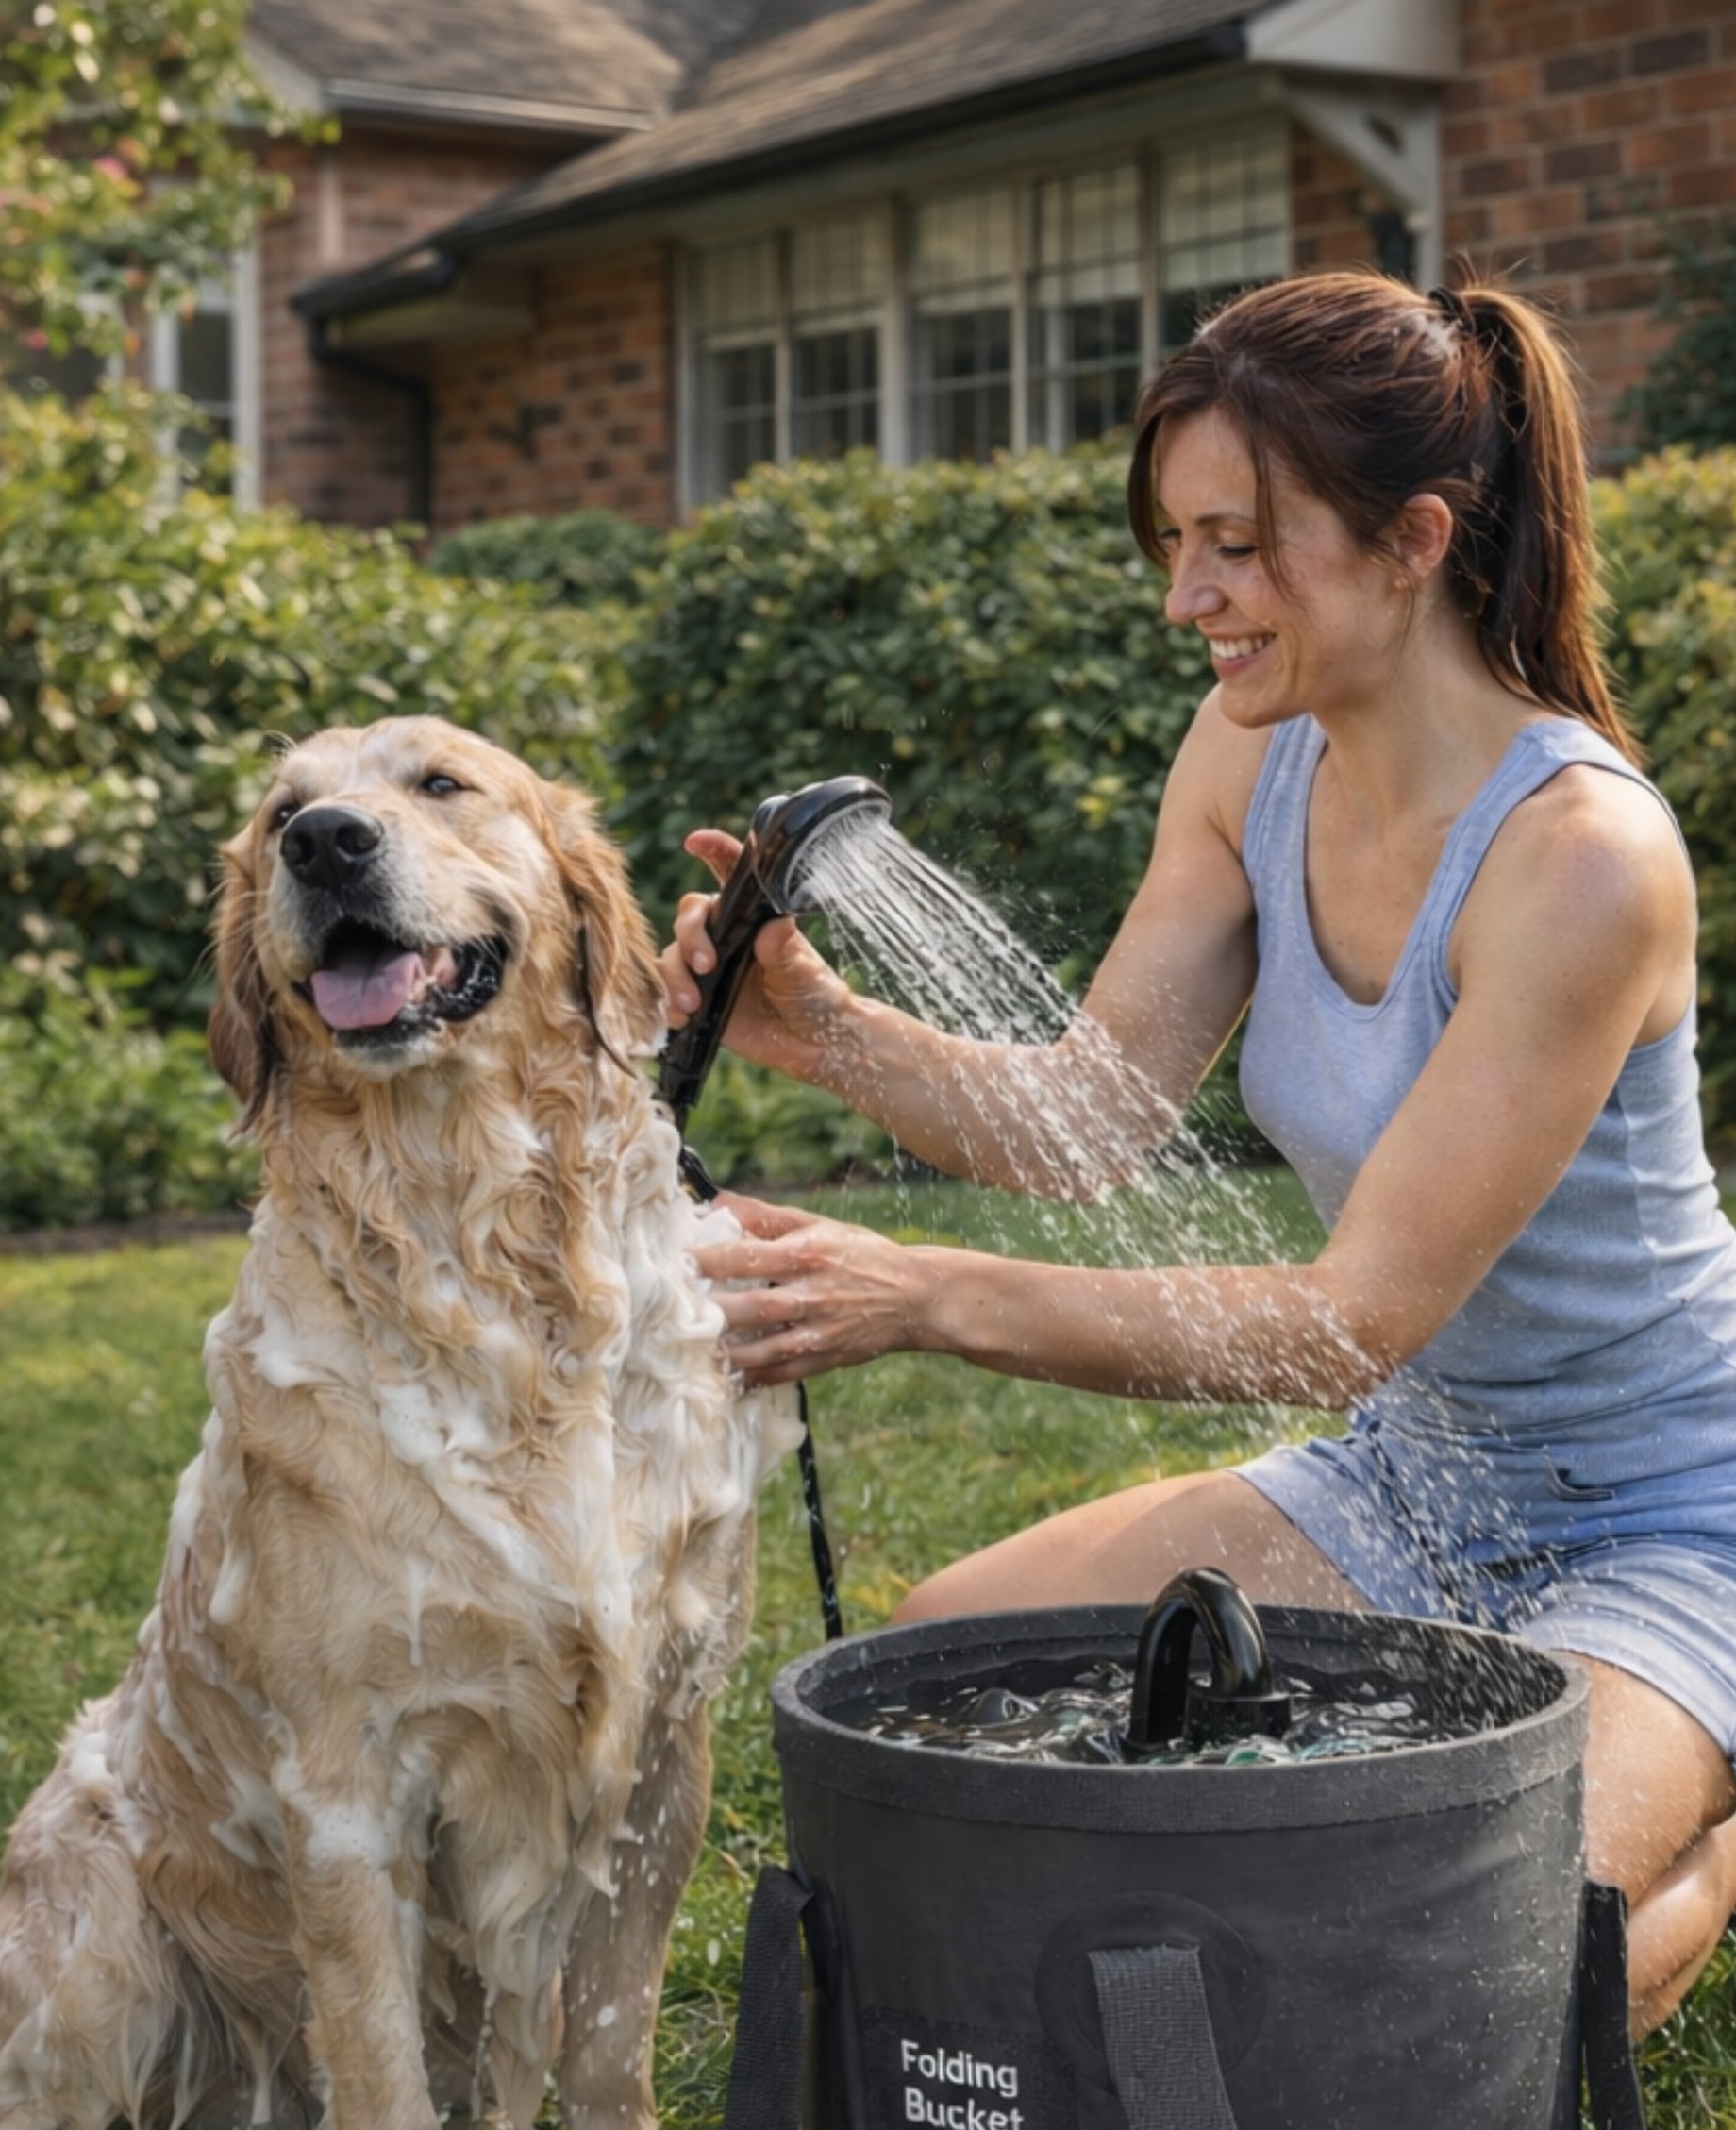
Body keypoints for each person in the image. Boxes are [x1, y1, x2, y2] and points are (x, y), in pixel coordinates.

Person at [664, 270, 1736, 2038]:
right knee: (946, 1669)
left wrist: (926, 1292)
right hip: (1417, 1477)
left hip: (1671, 1511)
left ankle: (1705, 1798)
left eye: (1236, 545)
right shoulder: (1256, 762)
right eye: (1175, 541)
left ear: (1410, 539)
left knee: (1476, 1960)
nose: (1188, 599)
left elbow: (1345, 1319)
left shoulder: (1580, 860)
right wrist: (824, 1028)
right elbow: (1089, 1117)